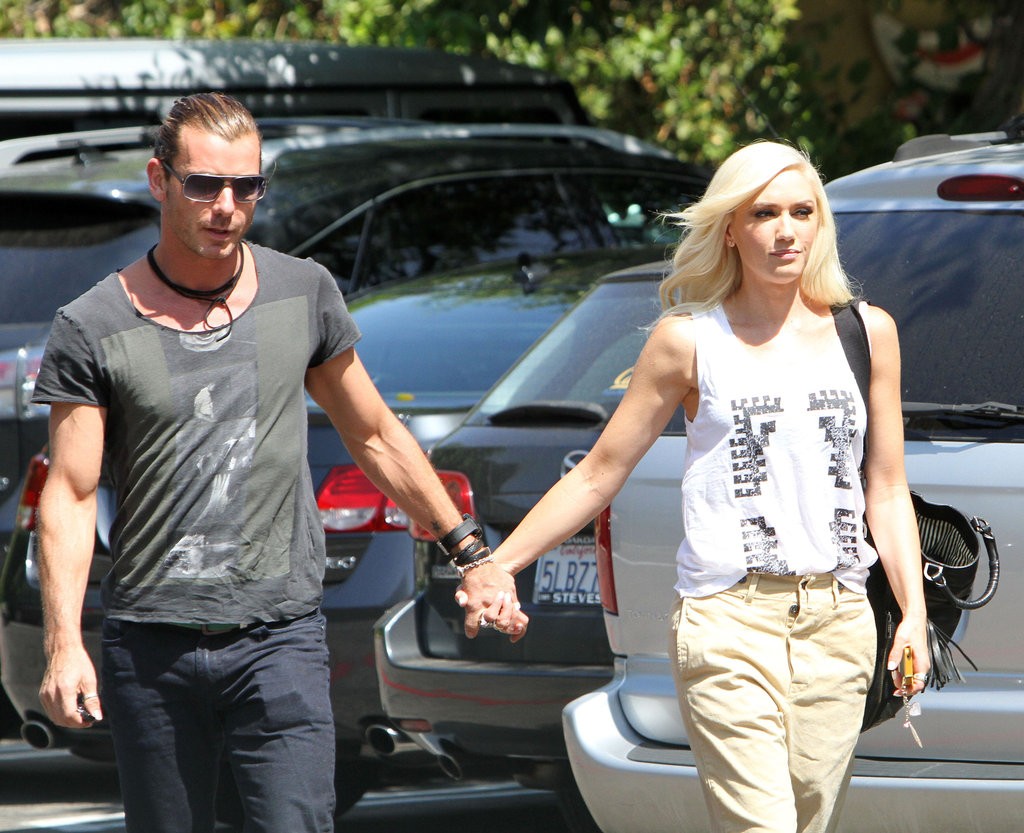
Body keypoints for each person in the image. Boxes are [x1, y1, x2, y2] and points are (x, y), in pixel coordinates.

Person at [33, 92, 498, 833]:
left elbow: (375, 434)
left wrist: (470, 552)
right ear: (159, 180)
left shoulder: (302, 292)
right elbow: (71, 491)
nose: (226, 206)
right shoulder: (92, 324)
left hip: (279, 637)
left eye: (245, 186)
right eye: (204, 185)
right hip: (151, 645)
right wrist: (64, 646)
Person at [455, 140, 930, 833]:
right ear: (730, 229)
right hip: (729, 621)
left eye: (802, 212)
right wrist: (499, 563)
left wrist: (912, 613)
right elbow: (599, 471)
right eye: (763, 213)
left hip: (840, 622)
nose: (786, 230)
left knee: (808, 820)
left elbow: (885, 489)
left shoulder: (866, 332)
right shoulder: (688, 341)